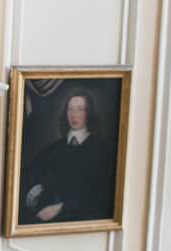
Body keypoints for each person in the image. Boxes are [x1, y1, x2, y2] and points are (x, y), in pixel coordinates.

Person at [20, 91, 115, 224]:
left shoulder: (101, 150)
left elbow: (98, 194)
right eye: (70, 109)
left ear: (89, 113)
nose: (73, 114)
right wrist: (32, 192)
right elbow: (27, 174)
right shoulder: (55, 148)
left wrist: (61, 208)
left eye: (80, 109)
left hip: (83, 221)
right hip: (43, 218)